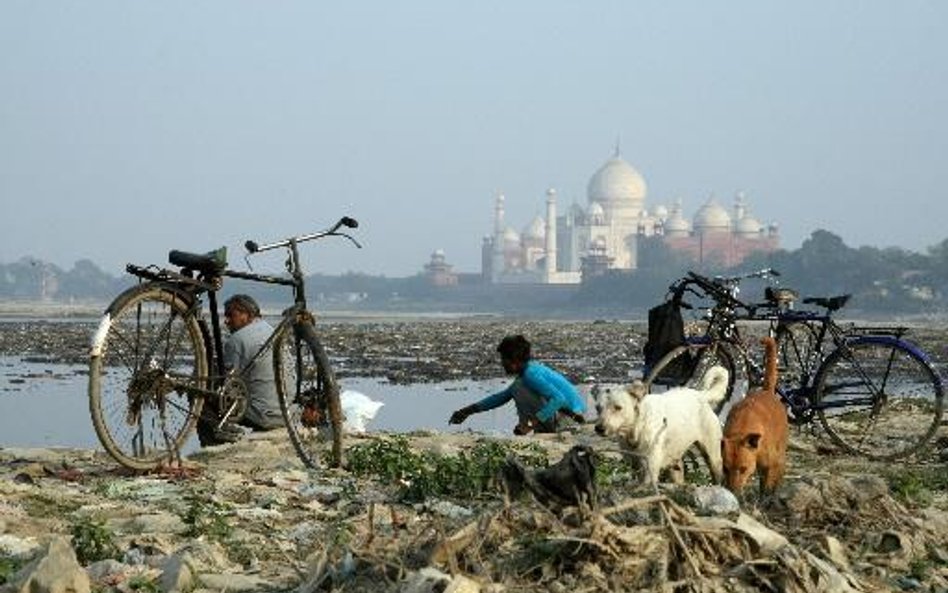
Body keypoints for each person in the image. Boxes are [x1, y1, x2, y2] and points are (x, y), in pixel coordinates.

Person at [449, 334, 586, 435]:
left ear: (514, 360)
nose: (502, 363)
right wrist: (466, 411)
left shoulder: (530, 375)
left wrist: (530, 424)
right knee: (517, 388)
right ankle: (538, 427)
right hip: (567, 414)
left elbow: (559, 399)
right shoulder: (528, 373)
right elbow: (501, 397)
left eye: (504, 359)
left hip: (571, 418)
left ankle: (539, 429)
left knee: (519, 389)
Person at [197, 294, 283, 446]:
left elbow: (228, 385)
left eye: (231, 315)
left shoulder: (237, 340)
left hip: (263, 415)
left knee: (202, 399)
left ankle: (215, 445)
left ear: (246, 314)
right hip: (284, 414)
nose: (227, 321)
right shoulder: (271, 330)